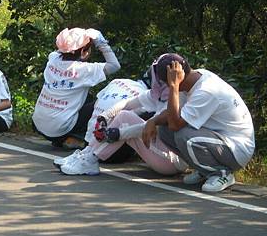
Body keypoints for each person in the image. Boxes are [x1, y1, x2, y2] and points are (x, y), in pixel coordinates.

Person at [142, 53, 255, 192]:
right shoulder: (192, 79)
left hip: (236, 149)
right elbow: (171, 115)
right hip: (218, 139)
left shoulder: (205, 91)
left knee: (183, 135)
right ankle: (203, 170)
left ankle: (221, 174)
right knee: (164, 131)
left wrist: (173, 87)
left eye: (167, 84)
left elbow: (175, 124)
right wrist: (153, 121)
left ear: (178, 77)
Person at [55, 61, 186, 176]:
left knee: (125, 121)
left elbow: (151, 128)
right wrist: (105, 117)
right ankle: (87, 153)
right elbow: (128, 103)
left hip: (171, 160)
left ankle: (92, 158)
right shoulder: (159, 94)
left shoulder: (177, 98)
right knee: (124, 115)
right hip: (161, 150)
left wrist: (117, 134)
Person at [32, 27, 121, 150]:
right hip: (61, 130)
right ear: (84, 52)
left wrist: (71, 40)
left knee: (86, 98)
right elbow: (114, 65)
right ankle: (76, 137)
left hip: (38, 125)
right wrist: (101, 42)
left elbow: (60, 52)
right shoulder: (85, 70)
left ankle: (62, 139)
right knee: (100, 103)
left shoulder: (53, 59)